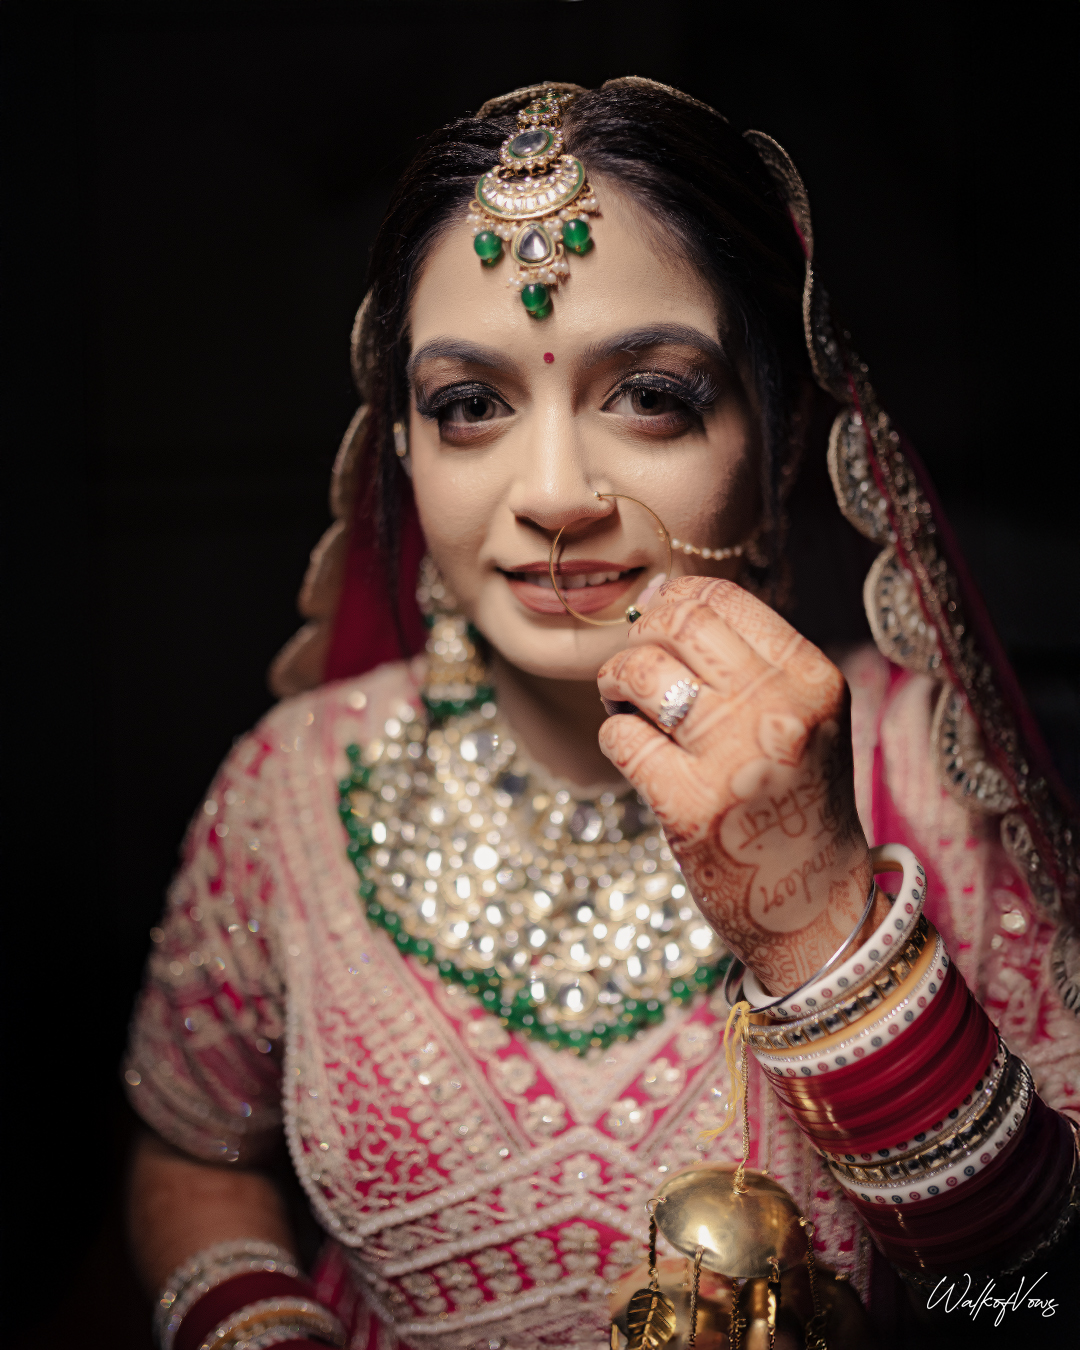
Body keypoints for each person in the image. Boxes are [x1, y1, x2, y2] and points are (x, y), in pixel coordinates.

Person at [123, 80, 1079, 1350]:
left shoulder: (928, 770)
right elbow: (192, 1150)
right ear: (403, 443)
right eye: (470, 406)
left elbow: (1040, 1271)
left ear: (779, 433)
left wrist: (822, 928)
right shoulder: (295, 786)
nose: (558, 493)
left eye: (653, 395)